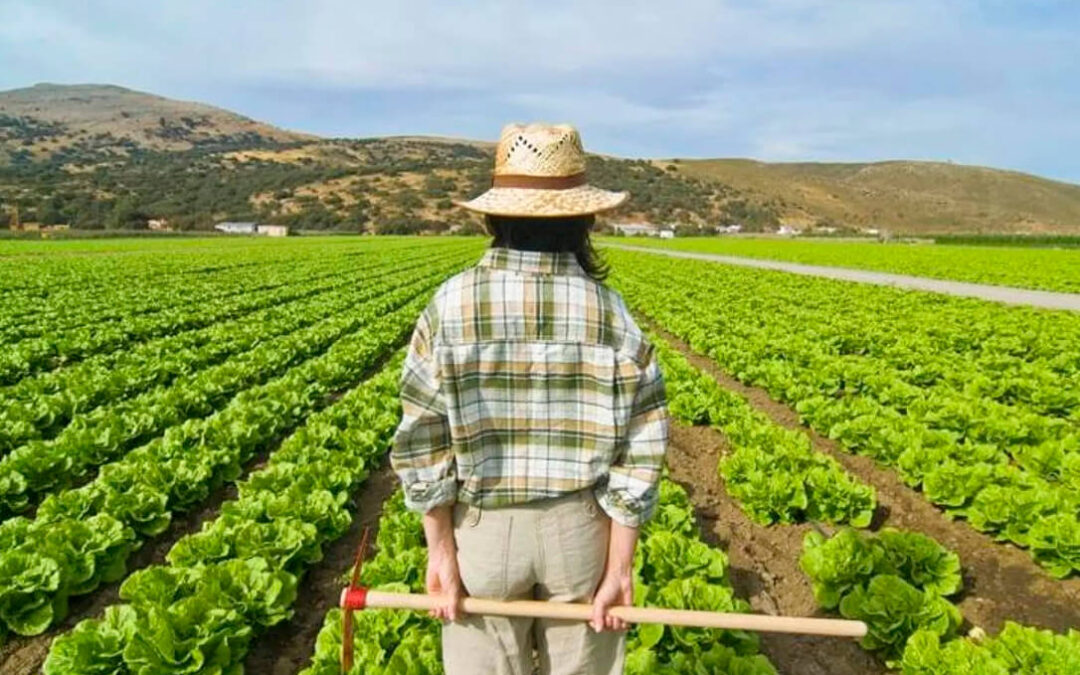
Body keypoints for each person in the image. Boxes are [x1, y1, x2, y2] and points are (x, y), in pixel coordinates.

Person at [390, 122, 669, 674]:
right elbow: (643, 449)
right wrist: (620, 565)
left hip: (484, 534)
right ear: (584, 218)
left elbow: (422, 441)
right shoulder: (611, 313)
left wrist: (441, 553)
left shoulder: (450, 305)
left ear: (494, 216)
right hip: (580, 533)